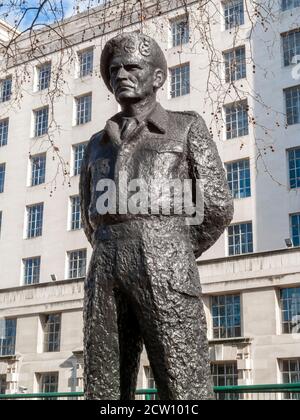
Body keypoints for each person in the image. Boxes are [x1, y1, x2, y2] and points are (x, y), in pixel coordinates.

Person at [79, 32, 233, 400]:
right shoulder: (96, 143)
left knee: (182, 384)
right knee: (104, 385)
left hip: (166, 261)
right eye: (114, 70)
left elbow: (216, 205)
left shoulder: (186, 126)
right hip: (104, 266)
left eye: (132, 67)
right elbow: (90, 212)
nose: (121, 75)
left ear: (158, 78)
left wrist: (172, 246)